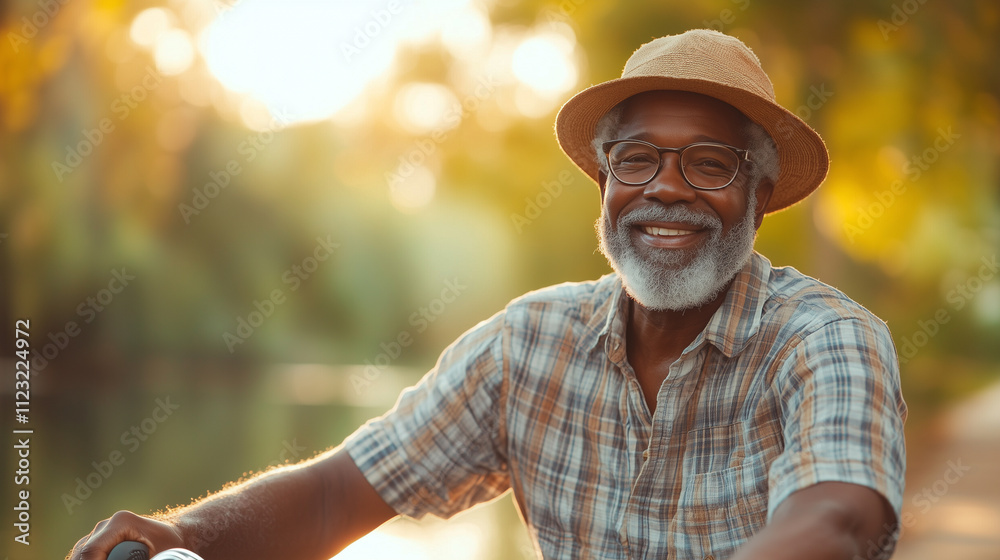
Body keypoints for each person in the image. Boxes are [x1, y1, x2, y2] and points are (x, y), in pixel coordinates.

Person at [68, 29, 906, 560]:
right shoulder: (527, 343)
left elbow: (838, 519)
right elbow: (335, 493)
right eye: (637, 160)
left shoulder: (826, 338)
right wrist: (184, 533)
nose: (667, 188)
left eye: (710, 164)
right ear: (604, 185)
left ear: (760, 195)